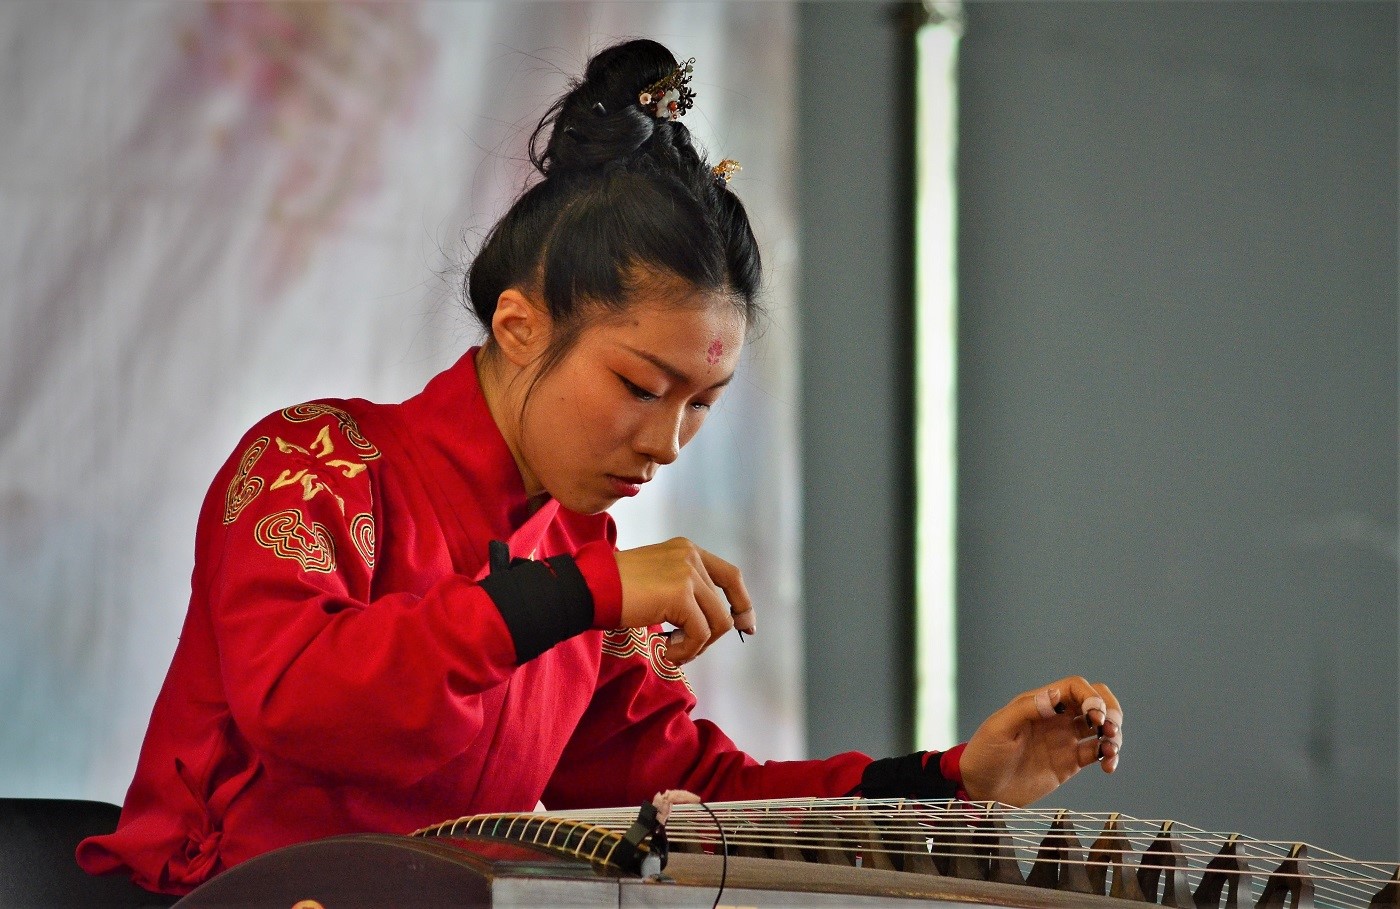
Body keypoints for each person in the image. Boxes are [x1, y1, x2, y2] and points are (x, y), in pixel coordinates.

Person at [76, 39, 1122, 898]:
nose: (666, 443)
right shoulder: (316, 463)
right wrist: (575, 594)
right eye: (637, 385)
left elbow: (693, 792)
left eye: (700, 408)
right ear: (520, 326)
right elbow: (299, 702)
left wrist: (946, 784)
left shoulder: (573, 554)